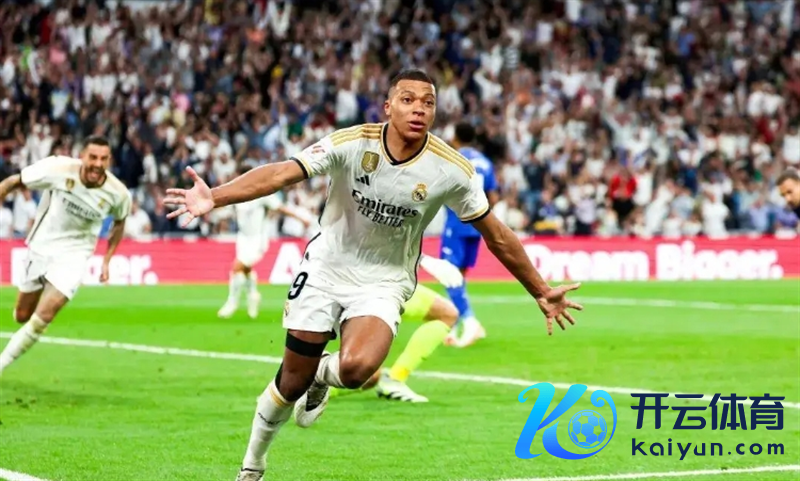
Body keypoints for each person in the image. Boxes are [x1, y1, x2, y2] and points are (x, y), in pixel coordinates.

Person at [163, 69, 583, 481]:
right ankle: (252, 466)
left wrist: (540, 289)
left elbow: (496, 234)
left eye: (428, 102)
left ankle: (321, 375)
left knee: (357, 369)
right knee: (290, 383)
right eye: (408, 99)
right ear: (387, 106)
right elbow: (281, 173)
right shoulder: (351, 142)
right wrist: (214, 196)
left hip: (385, 280)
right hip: (326, 266)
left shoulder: (452, 169)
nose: (418, 109)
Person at [0, 136, 131, 375]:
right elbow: (11, 182)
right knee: (22, 316)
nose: (98, 164)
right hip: (41, 246)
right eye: (93, 157)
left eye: (103, 159)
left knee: (45, 316)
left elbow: (120, 223)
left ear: (109, 160)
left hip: (75, 255)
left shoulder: (118, 193)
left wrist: (106, 260)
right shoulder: (57, 168)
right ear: (82, 156)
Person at [329, 254, 463, 403]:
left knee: (447, 313)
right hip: (361, 284)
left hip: (386, 282)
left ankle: (395, 379)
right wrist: (423, 260)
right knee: (366, 374)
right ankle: (315, 389)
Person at [219, 165, 310, 319]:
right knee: (245, 270)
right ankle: (253, 296)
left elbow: (280, 208)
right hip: (243, 238)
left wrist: (301, 219)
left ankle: (232, 302)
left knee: (236, 267)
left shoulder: (261, 193)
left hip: (257, 240)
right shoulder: (238, 193)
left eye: (239, 176)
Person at [440, 122, 499, 348]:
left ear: (455, 137)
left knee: (448, 274)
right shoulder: (485, 162)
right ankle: (454, 325)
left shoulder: (453, 158)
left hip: (457, 223)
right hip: (477, 224)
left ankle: (470, 321)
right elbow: (493, 197)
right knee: (460, 276)